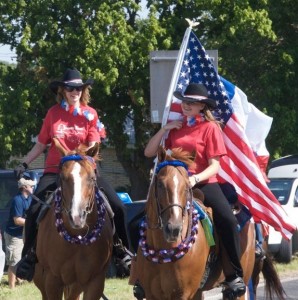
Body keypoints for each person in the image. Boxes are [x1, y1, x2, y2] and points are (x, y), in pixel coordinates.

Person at [14, 67, 132, 281]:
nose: (74, 91)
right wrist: (24, 162)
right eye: (70, 88)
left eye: (78, 88)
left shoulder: (91, 114)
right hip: (55, 170)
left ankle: (122, 252)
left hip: (86, 170)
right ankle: (29, 256)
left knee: (119, 207)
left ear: (83, 90)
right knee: (33, 210)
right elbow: (42, 143)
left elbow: (95, 144)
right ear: (63, 90)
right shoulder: (53, 113)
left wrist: (82, 158)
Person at [144, 83, 246, 297]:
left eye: (192, 102)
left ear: (202, 106)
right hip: (174, 185)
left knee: (228, 221)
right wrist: (164, 129)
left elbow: (215, 165)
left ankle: (233, 275)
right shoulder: (176, 127)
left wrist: (195, 179)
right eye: (185, 101)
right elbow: (149, 152)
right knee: (144, 219)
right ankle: (139, 274)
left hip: (203, 184)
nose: (186, 105)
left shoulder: (210, 128)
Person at [4, 175, 35, 288]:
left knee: (22, 258)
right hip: (14, 235)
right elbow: (17, 220)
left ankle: (20, 280)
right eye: (31, 185)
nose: (33, 187)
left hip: (22, 234)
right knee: (14, 262)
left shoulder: (30, 198)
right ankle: (11, 287)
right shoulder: (17, 200)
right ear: (24, 187)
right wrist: (31, 222)